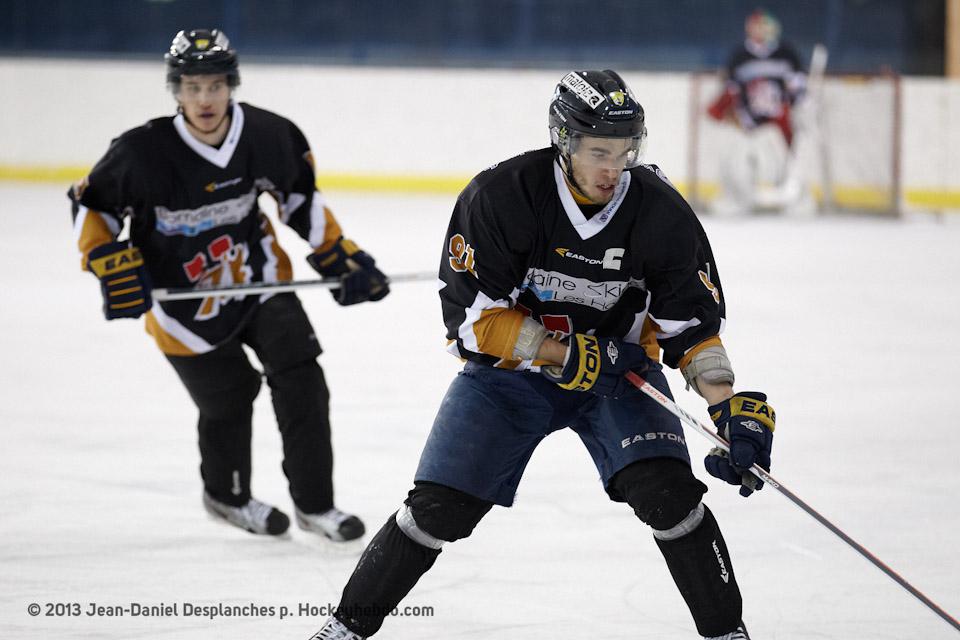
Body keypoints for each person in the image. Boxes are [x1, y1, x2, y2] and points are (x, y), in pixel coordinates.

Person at [310, 70, 775, 640]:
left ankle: (729, 633)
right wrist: (559, 352)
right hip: (511, 376)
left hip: (620, 375)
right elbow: (472, 322)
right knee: (439, 507)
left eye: (625, 151)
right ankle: (346, 628)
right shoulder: (503, 196)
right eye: (597, 150)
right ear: (564, 140)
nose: (612, 167)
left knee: (669, 494)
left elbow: (691, 328)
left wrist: (727, 404)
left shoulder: (662, 213)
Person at [69, 28, 389, 542]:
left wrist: (336, 253)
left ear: (231, 85)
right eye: (192, 87)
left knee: (304, 381)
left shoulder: (267, 135)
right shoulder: (140, 152)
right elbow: (94, 207)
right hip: (182, 307)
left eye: (215, 85)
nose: (204, 99)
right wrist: (107, 260)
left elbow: (299, 200)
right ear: (176, 90)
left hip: (256, 279)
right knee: (229, 399)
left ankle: (316, 506)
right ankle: (227, 495)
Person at [707, 8, 811, 215]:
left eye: (764, 26)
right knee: (735, 161)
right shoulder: (740, 56)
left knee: (783, 163)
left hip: (778, 124)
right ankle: (736, 199)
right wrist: (727, 114)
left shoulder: (786, 53)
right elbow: (731, 91)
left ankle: (794, 201)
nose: (760, 31)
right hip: (747, 124)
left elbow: (799, 90)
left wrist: (800, 104)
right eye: (756, 26)